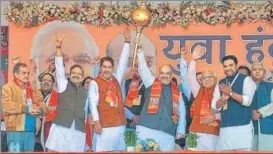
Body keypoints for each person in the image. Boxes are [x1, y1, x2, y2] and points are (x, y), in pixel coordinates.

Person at [135, 46, 186, 151]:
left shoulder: (177, 92)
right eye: (162, 73)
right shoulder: (151, 82)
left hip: (167, 133)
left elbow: (182, 112)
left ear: (172, 76)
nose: (164, 76)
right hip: (146, 129)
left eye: (167, 73)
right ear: (159, 74)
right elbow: (143, 69)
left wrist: (180, 130)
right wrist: (140, 52)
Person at [88, 28, 131, 152]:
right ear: (100, 68)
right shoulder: (94, 82)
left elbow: (122, 62)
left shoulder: (116, 78)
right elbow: (92, 104)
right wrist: (96, 122)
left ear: (112, 68)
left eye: (109, 67)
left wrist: (127, 42)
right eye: (104, 67)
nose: (107, 70)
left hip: (121, 125)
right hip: (104, 127)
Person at [45, 33, 88, 152]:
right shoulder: (64, 84)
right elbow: (59, 67)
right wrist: (58, 48)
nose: (76, 75)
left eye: (79, 74)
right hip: (61, 128)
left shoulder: (86, 92)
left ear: (82, 77)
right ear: (70, 74)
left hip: (78, 131)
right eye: (74, 73)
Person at [211, 55, 256, 151]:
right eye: (225, 66)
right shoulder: (221, 83)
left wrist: (231, 93)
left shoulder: (246, 79)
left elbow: (247, 101)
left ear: (236, 65)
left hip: (243, 127)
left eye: (230, 65)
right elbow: (215, 107)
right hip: (225, 128)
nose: (228, 68)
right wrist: (222, 99)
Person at [2, 63, 47, 152]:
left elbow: (43, 104)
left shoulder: (33, 89)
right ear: (16, 74)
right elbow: (6, 106)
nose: (27, 75)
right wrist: (26, 109)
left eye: (28, 73)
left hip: (31, 130)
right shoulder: (8, 88)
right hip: (15, 130)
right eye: (23, 73)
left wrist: (40, 110)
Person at [183, 46, 220, 150]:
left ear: (215, 79)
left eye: (210, 77)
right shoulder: (198, 91)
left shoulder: (221, 92)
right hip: (194, 132)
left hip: (213, 134)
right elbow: (190, 76)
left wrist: (215, 117)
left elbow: (227, 112)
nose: (207, 80)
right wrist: (194, 60)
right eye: (204, 78)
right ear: (201, 81)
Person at [250, 62, 273, 151]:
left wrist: (260, 112)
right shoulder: (245, 87)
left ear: (264, 72)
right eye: (254, 69)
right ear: (251, 72)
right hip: (249, 126)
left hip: (267, 125)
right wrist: (250, 111)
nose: (257, 72)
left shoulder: (270, 86)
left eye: (260, 69)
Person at [37, 73, 58, 151]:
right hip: (34, 133)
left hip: (49, 132)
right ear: (40, 82)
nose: (46, 82)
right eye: (44, 80)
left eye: (49, 80)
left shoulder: (58, 98)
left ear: (53, 84)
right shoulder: (33, 95)